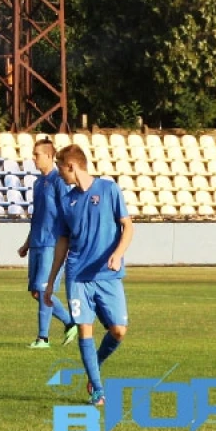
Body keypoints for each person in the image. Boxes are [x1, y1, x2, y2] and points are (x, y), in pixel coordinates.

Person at [44, 144, 134, 408]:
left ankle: (95, 363)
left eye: (61, 169)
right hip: (78, 277)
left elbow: (128, 226)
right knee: (85, 328)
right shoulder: (67, 201)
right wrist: (52, 280)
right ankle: (98, 389)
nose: (60, 174)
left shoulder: (109, 189)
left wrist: (118, 254)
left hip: (107, 275)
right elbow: (62, 242)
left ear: (71, 166)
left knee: (119, 331)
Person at [17, 138, 77, 349]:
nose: (34, 158)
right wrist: (27, 243)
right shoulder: (37, 183)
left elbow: (68, 212)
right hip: (37, 243)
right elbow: (38, 216)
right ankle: (71, 323)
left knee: (43, 290)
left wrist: (70, 241)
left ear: (49, 156)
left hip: (53, 244)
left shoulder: (59, 181)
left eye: (37, 154)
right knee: (36, 292)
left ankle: (43, 338)